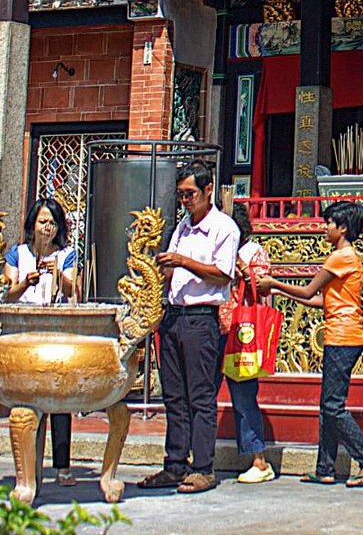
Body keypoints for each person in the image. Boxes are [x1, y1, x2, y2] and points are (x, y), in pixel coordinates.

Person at [258, 200, 363, 487]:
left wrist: (275, 284)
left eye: (329, 223)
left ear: (342, 227)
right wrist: (284, 294)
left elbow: (308, 289)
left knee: (333, 406)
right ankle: (325, 467)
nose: (324, 228)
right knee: (327, 405)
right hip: (341, 334)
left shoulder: (340, 257)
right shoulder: (346, 257)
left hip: (343, 336)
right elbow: (319, 300)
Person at [139, 162, 239, 495]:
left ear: (208, 190)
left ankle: (203, 466)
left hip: (201, 318)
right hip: (174, 315)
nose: (185, 201)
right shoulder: (181, 227)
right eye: (181, 195)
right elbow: (173, 271)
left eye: (190, 194)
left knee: (200, 395)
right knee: (174, 395)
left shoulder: (224, 227)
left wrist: (182, 262)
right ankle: (175, 463)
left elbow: (223, 274)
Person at [3, 197, 78, 488]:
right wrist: (26, 282)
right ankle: (28, 467)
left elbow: (74, 289)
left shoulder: (66, 254)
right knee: (27, 403)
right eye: (43, 222)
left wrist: (57, 272)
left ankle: (62, 466)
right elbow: (7, 292)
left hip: (54, 328)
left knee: (59, 400)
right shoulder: (17, 254)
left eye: (52, 223)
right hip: (23, 330)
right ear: (33, 225)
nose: (47, 228)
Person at [216, 202, 275, 483]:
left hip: (241, 331)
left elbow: (262, 287)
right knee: (203, 394)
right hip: (212, 325)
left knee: (242, 397)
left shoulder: (253, 253)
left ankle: (258, 460)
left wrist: (241, 268)